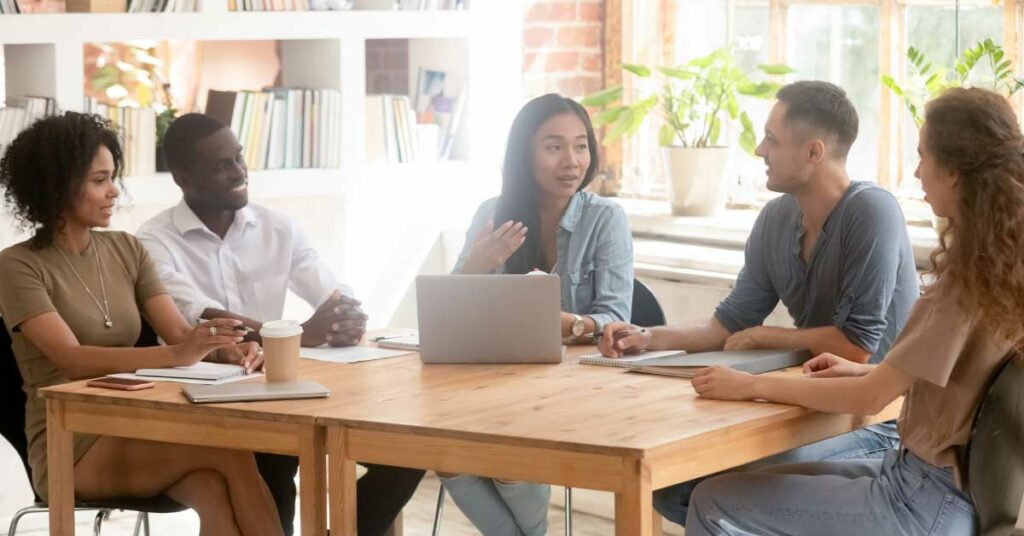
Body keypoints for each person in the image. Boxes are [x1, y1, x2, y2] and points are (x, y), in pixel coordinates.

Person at [684, 86, 1022, 535]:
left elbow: (871, 401)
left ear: (955, 171)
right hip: (935, 487)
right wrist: (861, 372)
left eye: (923, 157)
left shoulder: (964, 282)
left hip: (922, 501)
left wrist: (749, 386)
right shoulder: (1000, 269)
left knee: (712, 501)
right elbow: (943, 385)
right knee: (732, 486)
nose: (917, 171)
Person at [599, 81, 920, 525]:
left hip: (877, 421)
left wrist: (768, 335)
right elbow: (727, 324)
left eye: (771, 139)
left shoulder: (872, 212)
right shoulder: (776, 219)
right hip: (804, 410)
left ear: (813, 152)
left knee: (711, 489)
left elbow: (854, 348)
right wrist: (646, 337)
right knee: (672, 488)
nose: (758, 150)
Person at [136, 113, 423, 536]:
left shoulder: (277, 227)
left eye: (239, 158)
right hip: (204, 399)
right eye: (222, 165)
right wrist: (301, 333)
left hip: (280, 387)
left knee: (407, 446)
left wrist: (345, 315)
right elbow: (206, 319)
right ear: (184, 178)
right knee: (273, 457)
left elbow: (330, 292)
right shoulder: (153, 241)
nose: (239, 173)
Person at [0, 112, 282, 536]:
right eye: (99, 180)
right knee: (231, 453)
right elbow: (71, 360)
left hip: (133, 422)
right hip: (70, 442)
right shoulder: (17, 265)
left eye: (113, 177)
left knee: (211, 487)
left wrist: (227, 348)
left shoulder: (127, 249)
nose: (114, 191)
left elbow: (180, 336)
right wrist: (177, 354)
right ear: (56, 185)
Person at [444, 93, 634, 536]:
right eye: (554, 147)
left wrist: (570, 323)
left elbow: (615, 316)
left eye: (581, 145)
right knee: (446, 456)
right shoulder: (492, 214)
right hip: (498, 379)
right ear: (524, 153)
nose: (572, 160)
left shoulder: (606, 218)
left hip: (575, 385)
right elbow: (446, 311)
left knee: (507, 456)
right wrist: (476, 264)